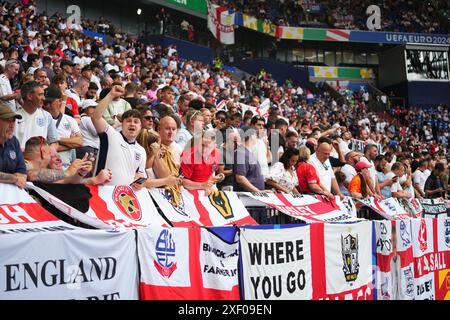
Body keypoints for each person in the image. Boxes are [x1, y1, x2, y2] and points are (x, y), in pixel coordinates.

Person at [91, 85, 147, 187]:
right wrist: (111, 95)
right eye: (128, 121)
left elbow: (140, 174)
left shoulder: (141, 150)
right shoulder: (111, 135)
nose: (132, 124)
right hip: (101, 193)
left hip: (123, 198)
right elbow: (96, 117)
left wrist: (140, 184)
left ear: (140, 127)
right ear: (122, 123)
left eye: (136, 122)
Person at [43, 86, 83, 170]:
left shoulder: (69, 119)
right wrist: (70, 144)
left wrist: (55, 140)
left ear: (60, 101)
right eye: (44, 102)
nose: (46, 105)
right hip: (45, 167)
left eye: (50, 102)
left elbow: (79, 141)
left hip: (66, 166)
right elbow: (42, 148)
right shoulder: (40, 118)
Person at [14, 81, 59, 150]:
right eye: (40, 94)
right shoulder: (13, 117)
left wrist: (44, 152)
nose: (44, 98)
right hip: (19, 159)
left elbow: (54, 142)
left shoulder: (46, 116)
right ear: (29, 96)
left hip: (41, 159)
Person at [180, 129, 224, 195]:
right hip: (186, 192)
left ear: (214, 146)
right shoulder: (189, 155)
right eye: (202, 145)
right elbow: (182, 182)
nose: (204, 149)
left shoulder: (217, 154)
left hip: (203, 191)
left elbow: (209, 174)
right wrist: (202, 185)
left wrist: (213, 180)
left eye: (207, 146)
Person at [0, 103, 27, 188]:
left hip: (10, 195)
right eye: (8, 120)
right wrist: (14, 179)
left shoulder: (14, 141)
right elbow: (18, 179)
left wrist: (17, 179)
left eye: (13, 121)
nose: (12, 125)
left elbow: (22, 174)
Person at [234, 128, 265, 192]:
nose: (256, 137)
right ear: (251, 136)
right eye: (255, 135)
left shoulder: (247, 152)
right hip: (246, 196)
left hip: (253, 195)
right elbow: (240, 178)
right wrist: (258, 191)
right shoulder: (241, 153)